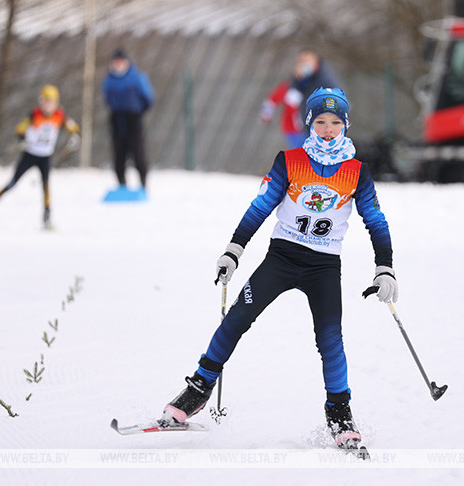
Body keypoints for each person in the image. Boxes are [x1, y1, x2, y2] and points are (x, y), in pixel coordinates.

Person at [159, 88, 398, 449]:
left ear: (345, 125)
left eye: (336, 122)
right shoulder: (289, 160)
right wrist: (234, 250)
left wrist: (385, 268)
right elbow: (260, 206)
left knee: (330, 340)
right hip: (281, 258)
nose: (329, 129)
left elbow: (376, 222)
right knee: (237, 318)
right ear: (309, 123)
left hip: (323, 266)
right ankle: (197, 390)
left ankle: (340, 413)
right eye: (320, 121)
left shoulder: (357, 172)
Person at [0, 85, 80, 229]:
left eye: (51, 102)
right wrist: (22, 140)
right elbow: (20, 129)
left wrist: (74, 137)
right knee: (11, 184)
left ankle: (47, 220)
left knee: (46, 187)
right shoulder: (34, 115)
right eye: (45, 102)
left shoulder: (60, 116)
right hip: (30, 155)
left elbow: (73, 128)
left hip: (45, 157)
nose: (47, 106)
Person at [101, 48, 154, 190]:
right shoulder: (109, 80)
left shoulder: (137, 77)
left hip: (133, 118)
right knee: (119, 154)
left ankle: (143, 184)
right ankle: (122, 185)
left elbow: (148, 98)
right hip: (117, 119)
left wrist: (137, 111)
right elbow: (107, 98)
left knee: (138, 152)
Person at [287, 50, 343, 127]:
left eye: (306, 60)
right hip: (307, 124)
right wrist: (297, 79)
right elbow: (292, 98)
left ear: (315, 60)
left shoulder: (325, 78)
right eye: (300, 61)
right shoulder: (304, 78)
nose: (303, 64)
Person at [260, 79, 306, 149]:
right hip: (293, 130)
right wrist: (266, 115)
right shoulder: (287, 89)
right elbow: (272, 101)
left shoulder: (315, 87)